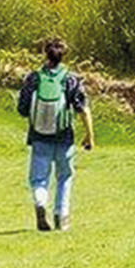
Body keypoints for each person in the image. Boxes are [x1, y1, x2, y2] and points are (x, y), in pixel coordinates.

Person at [17, 39, 94, 232]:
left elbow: (22, 109)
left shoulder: (33, 78)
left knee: (38, 179)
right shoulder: (71, 79)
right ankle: (61, 215)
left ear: (45, 53)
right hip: (64, 136)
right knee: (64, 176)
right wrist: (89, 136)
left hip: (39, 136)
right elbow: (83, 109)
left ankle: (40, 202)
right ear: (63, 55)